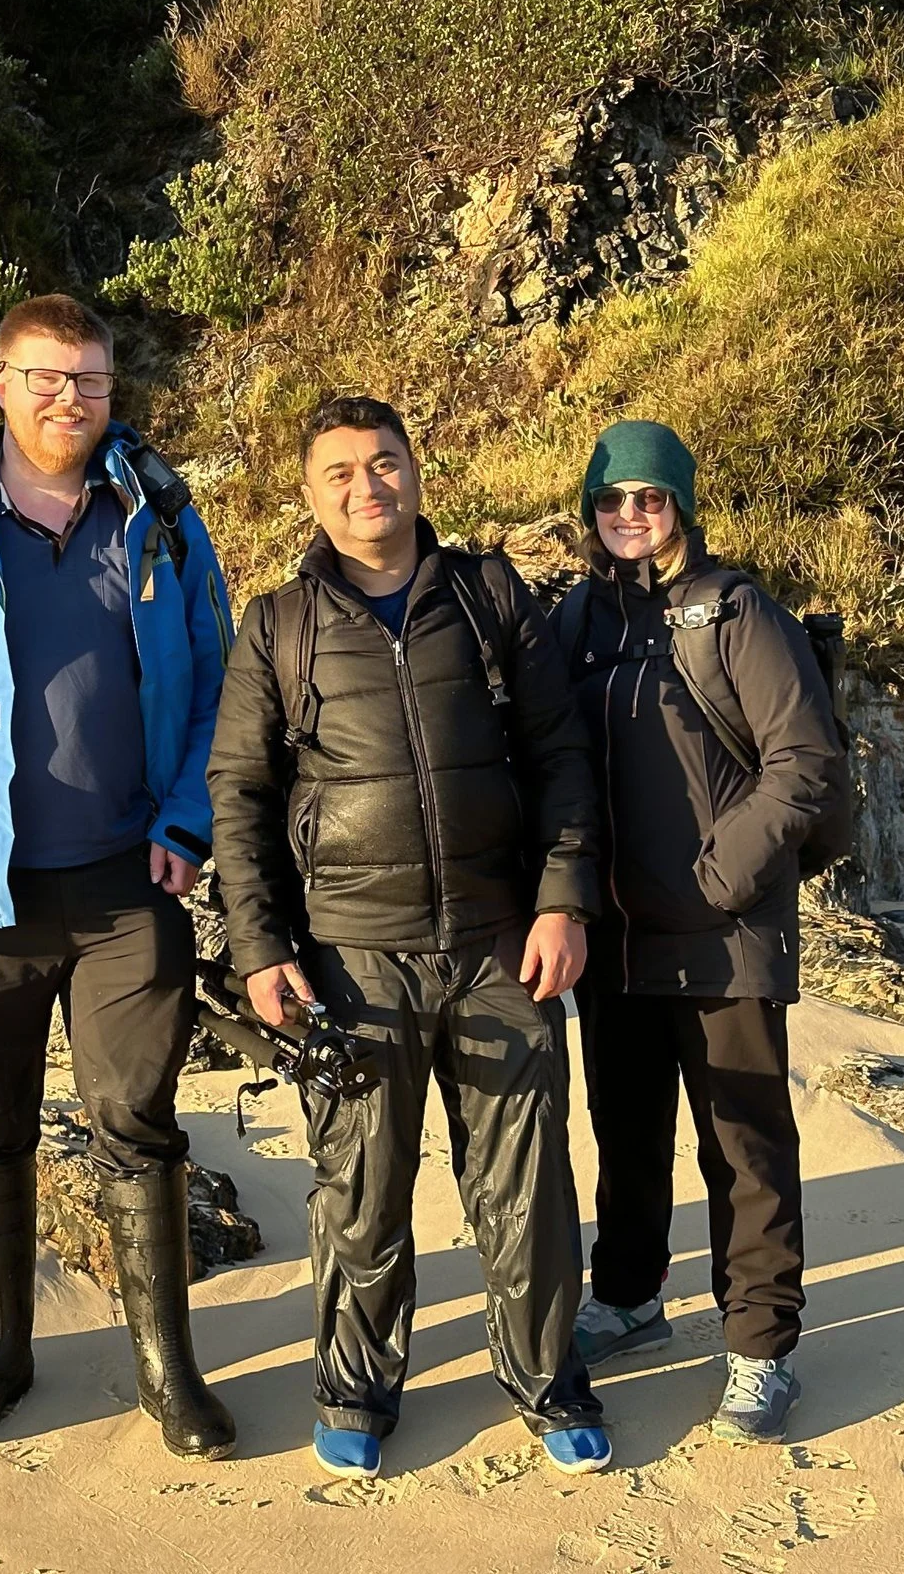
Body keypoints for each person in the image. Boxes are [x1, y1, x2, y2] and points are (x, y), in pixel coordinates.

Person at [0, 293, 239, 1460]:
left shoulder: (161, 520)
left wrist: (190, 821)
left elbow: (219, 684)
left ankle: (166, 1367)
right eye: (46, 377)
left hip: (129, 883)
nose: (70, 398)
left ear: (112, 389)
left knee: (138, 1118)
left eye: (90, 379)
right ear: (1, 384)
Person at [207, 395, 611, 1482]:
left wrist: (563, 900)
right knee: (360, 1187)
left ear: (416, 470)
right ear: (309, 494)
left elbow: (560, 753)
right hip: (350, 955)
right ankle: (355, 1388)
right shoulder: (277, 626)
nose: (366, 487)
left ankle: (547, 1378)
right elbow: (239, 794)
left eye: (383, 463)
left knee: (527, 1182)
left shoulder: (489, 596)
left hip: (499, 942)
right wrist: (261, 948)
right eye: (339, 471)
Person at [548, 418, 844, 1445]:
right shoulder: (577, 617)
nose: (629, 514)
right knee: (625, 1134)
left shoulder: (735, 612)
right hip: (617, 937)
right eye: (610, 498)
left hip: (725, 932)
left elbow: (802, 761)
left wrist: (722, 876)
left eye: (649, 496)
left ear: (679, 503)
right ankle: (629, 1297)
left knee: (743, 1146)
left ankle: (760, 1347)